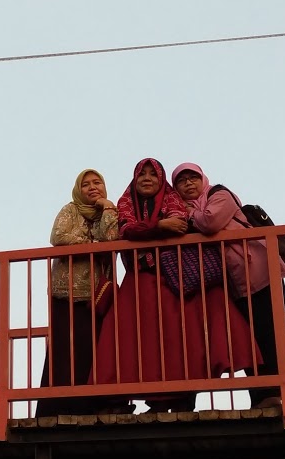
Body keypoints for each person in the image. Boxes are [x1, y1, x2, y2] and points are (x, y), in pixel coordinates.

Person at [94, 158, 253, 412]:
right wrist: (159, 226)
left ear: (161, 179)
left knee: (174, 341)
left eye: (153, 174)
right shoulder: (126, 202)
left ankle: (177, 399)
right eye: (142, 174)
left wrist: (151, 229)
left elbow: (178, 225)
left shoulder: (172, 198)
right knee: (135, 340)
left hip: (171, 279)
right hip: (138, 281)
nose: (147, 178)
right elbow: (127, 230)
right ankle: (141, 400)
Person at [172, 162, 285, 409]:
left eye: (193, 178)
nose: (188, 183)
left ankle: (279, 393)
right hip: (233, 283)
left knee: (271, 331)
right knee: (248, 338)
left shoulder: (219, 194)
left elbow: (210, 222)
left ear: (203, 179)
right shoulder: (182, 208)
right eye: (181, 180)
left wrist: (189, 215)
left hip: (260, 270)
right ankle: (262, 397)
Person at [40, 169, 119, 417]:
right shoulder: (71, 210)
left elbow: (112, 238)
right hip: (67, 293)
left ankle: (90, 406)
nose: (92, 187)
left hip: (97, 295)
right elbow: (58, 236)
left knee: (93, 350)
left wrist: (108, 208)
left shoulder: (109, 212)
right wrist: (94, 246)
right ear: (78, 190)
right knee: (64, 351)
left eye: (97, 182)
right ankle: (56, 408)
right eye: (86, 184)